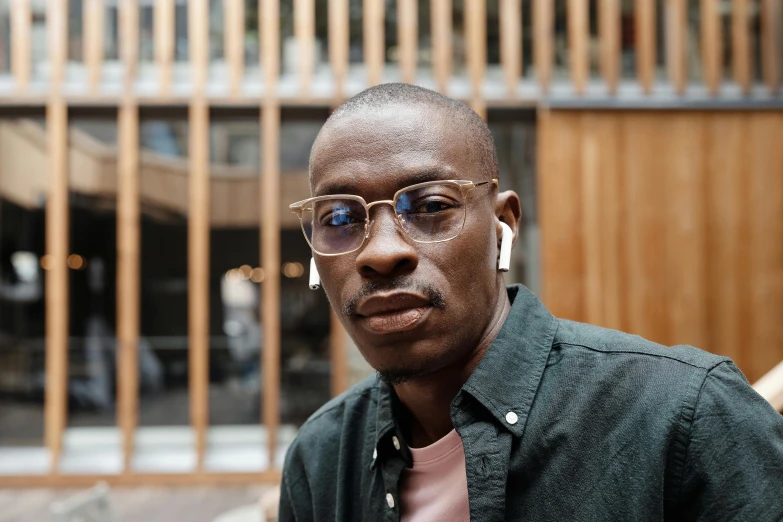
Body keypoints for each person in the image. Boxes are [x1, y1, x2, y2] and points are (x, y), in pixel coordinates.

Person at [278, 83, 783, 521]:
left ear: (504, 227)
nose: (383, 252)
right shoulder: (321, 460)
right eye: (340, 218)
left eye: (431, 206)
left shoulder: (683, 419)